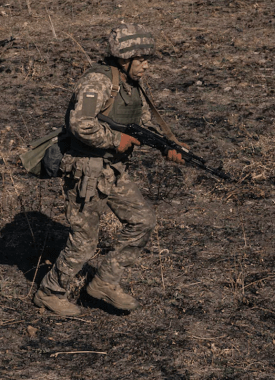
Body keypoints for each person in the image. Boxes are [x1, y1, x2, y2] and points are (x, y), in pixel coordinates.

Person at [33, 23, 186, 316]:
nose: (146, 65)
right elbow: (81, 125)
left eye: (147, 58)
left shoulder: (130, 84)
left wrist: (167, 145)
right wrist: (117, 140)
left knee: (142, 220)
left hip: (111, 169)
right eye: (140, 59)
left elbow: (141, 124)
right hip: (85, 171)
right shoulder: (97, 83)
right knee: (85, 240)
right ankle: (50, 292)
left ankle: (104, 282)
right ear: (123, 59)